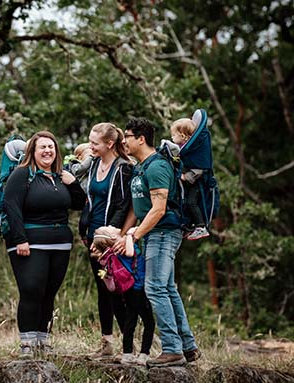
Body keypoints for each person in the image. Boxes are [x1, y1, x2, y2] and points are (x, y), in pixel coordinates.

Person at [119, 117, 201, 367]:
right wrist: (124, 234)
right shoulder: (140, 167)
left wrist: (136, 234)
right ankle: (187, 346)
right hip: (153, 233)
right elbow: (138, 205)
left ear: (141, 139)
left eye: (127, 136)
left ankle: (172, 349)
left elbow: (159, 209)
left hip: (163, 233)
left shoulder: (157, 166)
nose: (124, 141)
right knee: (168, 289)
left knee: (154, 288)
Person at [3, 130, 86, 359]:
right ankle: (27, 344)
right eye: (43, 147)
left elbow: (79, 204)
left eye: (51, 147)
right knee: (32, 290)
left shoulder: (62, 176)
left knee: (49, 292)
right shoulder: (22, 175)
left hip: (60, 243)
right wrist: (20, 239)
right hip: (30, 242)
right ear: (33, 151)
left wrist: (74, 183)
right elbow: (12, 206)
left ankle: (43, 340)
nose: (48, 151)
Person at [82, 122, 135, 357]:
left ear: (110, 144)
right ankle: (106, 342)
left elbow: (123, 205)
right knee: (103, 288)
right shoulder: (94, 163)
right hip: (91, 238)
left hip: (109, 241)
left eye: (95, 143)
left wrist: (107, 237)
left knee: (117, 290)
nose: (90, 146)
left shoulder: (122, 168)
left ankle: (128, 342)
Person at [92, 225, 154, 366]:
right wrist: (131, 235)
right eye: (108, 227)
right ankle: (144, 354)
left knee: (130, 321)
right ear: (113, 237)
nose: (111, 225)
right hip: (138, 288)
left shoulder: (109, 253)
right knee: (149, 322)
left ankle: (127, 354)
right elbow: (131, 253)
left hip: (128, 290)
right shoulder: (123, 246)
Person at [170, 118, 210, 240]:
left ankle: (201, 227)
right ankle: (189, 226)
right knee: (185, 202)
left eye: (174, 135)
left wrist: (185, 177)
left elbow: (200, 169)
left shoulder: (194, 151)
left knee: (191, 202)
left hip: (197, 184)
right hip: (189, 184)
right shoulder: (182, 149)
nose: (172, 137)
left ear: (183, 136)